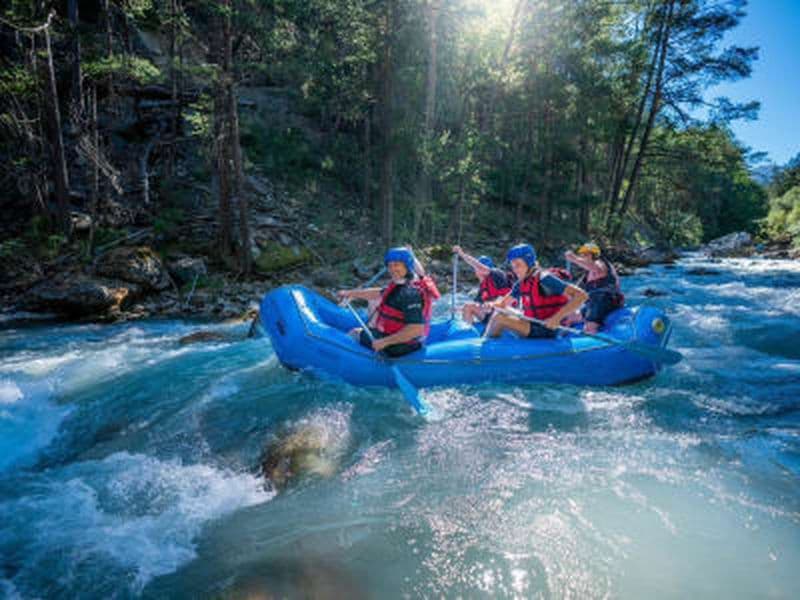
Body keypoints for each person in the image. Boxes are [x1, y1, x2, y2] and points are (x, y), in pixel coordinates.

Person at [337, 247, 440, 357]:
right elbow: (378, 293)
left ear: (407, 266)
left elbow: (416, 329)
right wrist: (350, 293)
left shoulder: (410, 294)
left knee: (355, 333)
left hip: (400, 347)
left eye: (397, 265)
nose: (392, 269)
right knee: (364, 330)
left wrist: (385, 342)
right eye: (390, 265)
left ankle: (343, 360)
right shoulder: (402, 284)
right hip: (400, 341)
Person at [486, 243, 587, 338]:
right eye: (513, 266)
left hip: (547, 328)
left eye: (518, 265)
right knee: (499, 312)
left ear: (529, 263)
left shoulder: (544, 279)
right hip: (532, 323)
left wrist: (557, 318)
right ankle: (487, 341)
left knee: (499, 318)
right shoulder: (521, 282)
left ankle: (484, 351)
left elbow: (581, 296)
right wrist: (492, 304)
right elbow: (503, 304)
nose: (514, 269)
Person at [564, 242, 625, 333]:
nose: (582, 256)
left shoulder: (600, 263)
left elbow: (597, 269)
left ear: (594, 255)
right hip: (593, 302)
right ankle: (559, 341)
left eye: (585, 254)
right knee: (569, 318)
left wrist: (574, 259)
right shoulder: (587, 274)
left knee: (589, 328)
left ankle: (591, 334)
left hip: (604, 300)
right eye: (581, 254)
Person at [452, 245, 514, 324]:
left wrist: (462, 254)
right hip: (491, 315)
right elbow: (477, 304)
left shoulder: (497, 274)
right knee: (467, 307)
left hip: (505, 314)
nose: (478, 271)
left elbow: (480, 267)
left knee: (469, 306)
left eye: (479, 268)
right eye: (476, 269)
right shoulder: (483, 287)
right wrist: (457, 309)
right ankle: (468, 332)